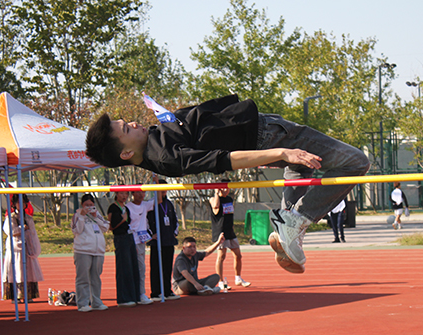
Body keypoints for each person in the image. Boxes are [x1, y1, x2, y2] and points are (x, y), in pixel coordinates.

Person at [85, 94, 370, 273]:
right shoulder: (166, 157)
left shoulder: (152, 144)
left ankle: (288, 224)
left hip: (261, 131)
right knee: (357, 163)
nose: (134, 123)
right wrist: (281, 152)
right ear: (125, 153)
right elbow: (224, 160)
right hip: (267, 134)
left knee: (300, 165)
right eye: (127, 128)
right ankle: (296, 220)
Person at [71, 194, 110, 312]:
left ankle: (96, 302)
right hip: (83, 250)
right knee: (83, 277)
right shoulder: (77, 215)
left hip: (98, 251)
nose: (89, 207)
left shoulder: (97, 214)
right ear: (82, 205)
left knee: (95, 278)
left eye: (91, 205)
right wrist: (82, 216)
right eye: (86, 205)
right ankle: (82, 303)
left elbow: (105, 227)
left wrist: (95, 216)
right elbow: (77, 230)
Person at [2, 194, 43, 302]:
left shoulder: (28, 218)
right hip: (15, 249)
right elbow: (10, 231)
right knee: (16, 271)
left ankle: (28, 295)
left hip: (27, 248)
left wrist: (34, 246)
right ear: (14, 204)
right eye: (19, 202)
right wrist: (22, 228)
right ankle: (15, 295)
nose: (21, 204)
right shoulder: (11, 218)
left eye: (24, 202)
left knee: (28, 271)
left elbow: (33, 233)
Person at [209, 180, 250, 290]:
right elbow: (216, 207)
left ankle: (238, 278)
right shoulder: (213, 199)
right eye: (223, 188)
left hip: (230, 232)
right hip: (220, 232)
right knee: (221, 257)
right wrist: (216, 193)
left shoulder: (230, 199)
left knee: (238, 255)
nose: (226, 190)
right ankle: (220, 281)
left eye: (227, 188)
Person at [147, 182, 180, 301]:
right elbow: (147, 221)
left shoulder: (169, 204)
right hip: (157, 242)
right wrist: (151, 235)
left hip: (169, 241)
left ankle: (167, 291)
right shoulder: (151, 204)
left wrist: (174, 232)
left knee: (167, 267)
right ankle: (155, 292)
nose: (164, 191)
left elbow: (175, 220)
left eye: (165, 188)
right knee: (156, 267)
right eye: (161, 188)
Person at [126, 189, 160, 305]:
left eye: (143, 192)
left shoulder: (145, 205)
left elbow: (158, 200)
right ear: (132, 194)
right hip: (131, 241)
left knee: (141, 268)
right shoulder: (128, 207)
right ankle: (135, 294)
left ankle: (141, 293)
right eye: (138, 192)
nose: (141, 195)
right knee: (133, 268)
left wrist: (156, 183)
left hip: (141, 241)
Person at [107, 191, 140, 307]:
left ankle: (134, 296)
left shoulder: (126, 208)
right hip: (120, 238)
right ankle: (124, 298)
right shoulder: (113, 208)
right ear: (116, 194)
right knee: (124, 267)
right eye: (121, 193)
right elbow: (111, 226)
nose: (124, 196)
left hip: (129, 237)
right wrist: (122, 219)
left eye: (126, 194)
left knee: (133, 267)